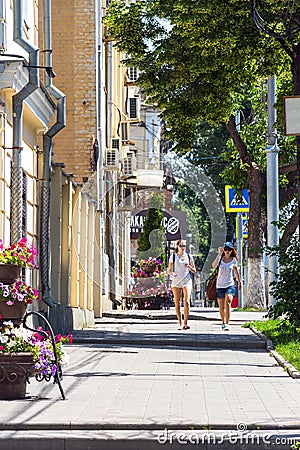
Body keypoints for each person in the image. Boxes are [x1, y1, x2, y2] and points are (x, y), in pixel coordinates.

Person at [212, 241, 241, 331]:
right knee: (221, 306)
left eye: (229, 249)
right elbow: (213, 266)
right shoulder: (220, 258)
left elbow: (236, 272)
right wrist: (219, 254)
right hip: (220, 285)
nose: (227, 251)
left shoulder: (234, 260)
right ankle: (223, 322)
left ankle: (227, 323)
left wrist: (240, 282)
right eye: (225, 249)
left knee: (228, 303)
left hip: (230, 284)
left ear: (232, 250)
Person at [167, 239, 196, 330]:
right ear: (177, 246)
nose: (183, 248)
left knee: (186, 302)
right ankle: (180, 322)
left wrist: (189, 267)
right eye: (181, 246)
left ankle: (185, 323)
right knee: (177, 303)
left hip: (186, 280)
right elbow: (168, 270)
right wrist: (172, 274)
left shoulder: (189, 256)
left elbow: (194, 270)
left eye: (184, 246)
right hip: (176, 281)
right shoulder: (173, 257)